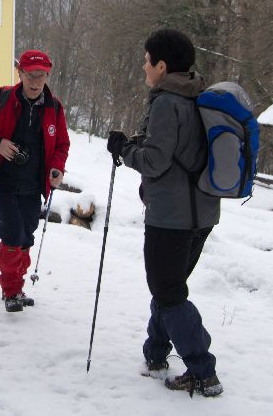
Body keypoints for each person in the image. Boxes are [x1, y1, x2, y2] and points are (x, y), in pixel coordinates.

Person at [106, 28, 223, 397]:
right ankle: (156, 353)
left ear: (161, 65)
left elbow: (155, 162)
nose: (143, 66)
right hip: (201, 214)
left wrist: (125, 152)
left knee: (169, 292)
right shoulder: (198, 94)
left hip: (171, 217)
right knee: (169, 286)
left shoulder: (167, 102)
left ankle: (203, 370)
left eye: (146, 60)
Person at [0, 49, 69, 312]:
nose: (35, 81)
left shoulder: (54, 107)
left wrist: (56, 169)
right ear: (19, 73)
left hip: (33, 186)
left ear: (48, 75)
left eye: (41, 75)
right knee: (12, 233)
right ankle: (10, 290)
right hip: (2, 181)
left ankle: (17, 286)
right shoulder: (0, 98)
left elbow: (61, 145)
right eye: (30, 75)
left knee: (26, 235)